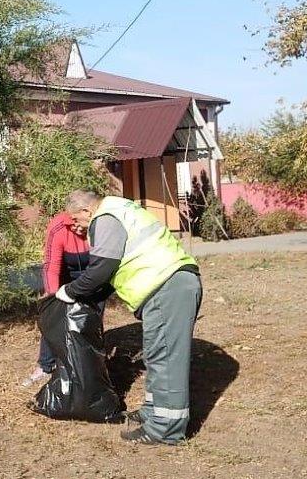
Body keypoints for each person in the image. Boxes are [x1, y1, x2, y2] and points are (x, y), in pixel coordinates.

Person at [58, 189, 202, 445]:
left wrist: (71, 291)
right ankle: (153, 411)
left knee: (166, 357)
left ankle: (165, 429)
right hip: (168, 285)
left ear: (85, 211)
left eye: (76, 220)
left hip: (165, 287)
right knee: (156, 353)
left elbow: (103, 266)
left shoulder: (105, 217)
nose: (76, 227)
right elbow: (114, 270)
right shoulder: (120, 209)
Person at [21, 211, 91, 387]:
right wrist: (53, 297)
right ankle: (46, 365)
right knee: (54, 318)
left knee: (90, 320)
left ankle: (89, 366)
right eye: (72, 222)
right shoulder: (59, 226)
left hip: (91, 273)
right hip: (64, 272)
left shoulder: (98, 226)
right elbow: (51, 266)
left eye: (79, 222)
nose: (76, 226)